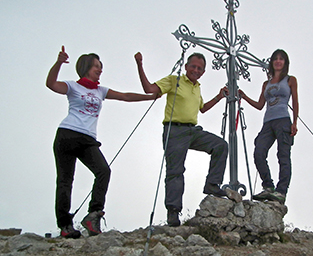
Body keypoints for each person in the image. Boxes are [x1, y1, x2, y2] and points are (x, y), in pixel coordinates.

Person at [46, 46, 158, 239]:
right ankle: (65, 225)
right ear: (86, 67)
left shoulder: (101, 90)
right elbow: (51, 84)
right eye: (96, 66)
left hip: (87, 139)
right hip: (67, 135)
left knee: (103, 171)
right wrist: (58, 62)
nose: (100, 69)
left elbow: (125, 97)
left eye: (100, 66)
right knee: (65, 181)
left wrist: (149, 97)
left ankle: (93, 215)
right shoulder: (73, 86)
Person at [134, 51, 241, 227]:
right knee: (175, 171)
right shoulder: (174, 80)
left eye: (200, 68)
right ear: (186, 67)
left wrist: (219, 96)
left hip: (192, 131)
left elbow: (203, 108)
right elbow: (149, 89)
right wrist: (140, 65)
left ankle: (212, 184)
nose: (196, 70)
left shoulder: (197, 87)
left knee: (220, 145)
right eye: (193, 66)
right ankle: (173, 212)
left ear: (203, 72)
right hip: (174, 131)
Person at [239, 49, 298, 204]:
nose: (278, 61)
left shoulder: (290, 80)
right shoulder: (266, 84)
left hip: (283, 119)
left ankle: (281, 191)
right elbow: (260, 105)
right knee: (259, 151)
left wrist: (295, 122)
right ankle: (268, 186)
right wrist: (244, 97)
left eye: (281, 59)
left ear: (285, 63)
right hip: (268, 122)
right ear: (272, 62)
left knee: (283, 155)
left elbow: (295, 102)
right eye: (275, 59)